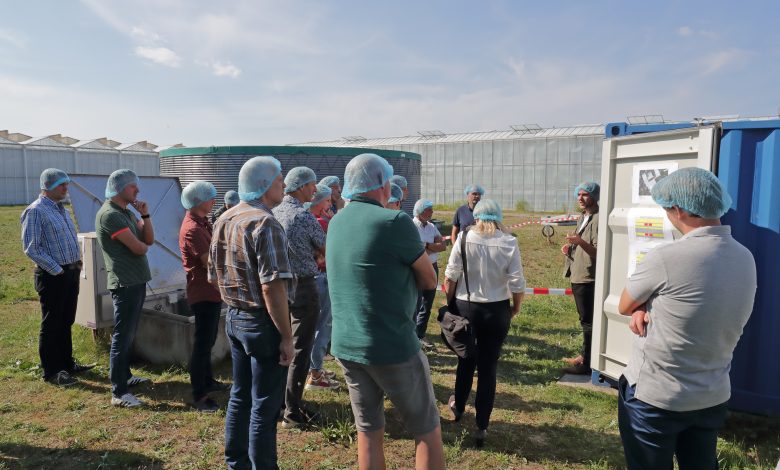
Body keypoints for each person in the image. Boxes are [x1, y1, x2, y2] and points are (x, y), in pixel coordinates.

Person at [617, 168, 756, 470]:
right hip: (711, 394)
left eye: (667, 210)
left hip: (657, 398)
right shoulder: (745, 257)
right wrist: (648, 307)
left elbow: (625, 304)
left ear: (678, 210)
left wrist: (641, 306)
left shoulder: (666, 257)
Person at [327, 153, 444, 470]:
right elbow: (429, 278)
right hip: (391, 344)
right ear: (381, 184)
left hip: (348, 345)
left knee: (368, 431)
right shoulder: (395, 222)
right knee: (427, 430)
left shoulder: (337, 221)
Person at [209, 156, 294, 469]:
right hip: (261, 322)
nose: (283, 184)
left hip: (234, 317)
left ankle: (237, 463)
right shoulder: (265, 222)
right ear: (263, 184)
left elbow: (212, 275)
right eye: (278, 179)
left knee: (240, 395)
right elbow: (273, 287)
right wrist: (286, 336)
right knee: (265, 406)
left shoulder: (225, 218)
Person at [443, 199, 525, 447]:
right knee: (488, 367)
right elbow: (517, 283)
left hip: (466, 306)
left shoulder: (465, 238)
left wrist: (450, 304)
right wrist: (515, 308)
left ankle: (458, 406)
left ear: (476, 216)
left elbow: (451, 275)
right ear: (498, 217)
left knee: (465, 360)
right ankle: (482, 425)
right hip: (497, 310)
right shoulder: (509, 241)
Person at [20, 168, 95, 387]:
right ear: (49, 186)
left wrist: (76, 265)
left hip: (70, 272)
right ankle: (52, 371)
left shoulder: (61, 209)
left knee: (66, 320)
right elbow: (31, 248)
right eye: (62, 185)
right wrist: (57, 270)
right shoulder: (35, 211)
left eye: (66, 184)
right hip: (53, 275)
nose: (66, 188)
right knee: (52, 323)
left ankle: (66, 364)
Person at [272, 166, 327, 428]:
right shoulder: (302, 217)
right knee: (301, 348)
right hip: (303, 287)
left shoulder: (273, 212)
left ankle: (280, 401)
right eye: (312, 185)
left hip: (278, 287)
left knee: (282, 345)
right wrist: (317, 256)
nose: (315, 190)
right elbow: (324, 248)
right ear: (302, 186)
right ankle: (293, 412)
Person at [95, 169, 154, 407]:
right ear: (119, 189)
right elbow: (139, 248)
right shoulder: (110, 215)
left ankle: (125, 376)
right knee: (122, 335)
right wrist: (140, 244)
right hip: (125, 282)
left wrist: (146, 215)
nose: (137, 190)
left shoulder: (126, 213)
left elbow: (148, 240)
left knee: (129, 333)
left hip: (136, 280)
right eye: (132, 186)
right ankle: (119, 392)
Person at [179, 180, 229, 413]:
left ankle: (208, 381)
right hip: (203, 291)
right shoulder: (192, 229)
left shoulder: (203, 223)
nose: (213, 202)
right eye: (210, 198)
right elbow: (207, 261)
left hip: (211, 290)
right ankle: (199, 394)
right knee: (202, 343)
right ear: (199, 201)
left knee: (208, 340)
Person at [560, 182, 599, 375]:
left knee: (588, 322)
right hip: (577, 273)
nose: (580, 198)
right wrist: (570, 249)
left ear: (594, 196)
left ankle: (588, 363)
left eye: (585, 195)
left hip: (588, 278)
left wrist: (579, 242)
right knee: (584, 320)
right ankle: (585, 356)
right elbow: (581, 247)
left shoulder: (598, 219)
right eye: (578, 195)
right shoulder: (583, 217)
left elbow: (598, 252)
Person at [305, 184, 340, 391]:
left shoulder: (314, 221)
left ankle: (314, 367)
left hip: (316, 277)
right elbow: (327, 251)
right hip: (323, 277)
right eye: (327, 200)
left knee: (318, 324)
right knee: (323, 324)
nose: (331, 203)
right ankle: (315, 373)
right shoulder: (321, 223)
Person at [412, 199, 446, 348]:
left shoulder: (432, 227)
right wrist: (430, 246)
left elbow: (443, 246)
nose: (432, 212)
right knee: (416, 301)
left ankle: (421, 333)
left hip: (432, 265)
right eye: (429, 209)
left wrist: (426, 245)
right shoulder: (412, 226)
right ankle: (411, 335)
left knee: (428, 301)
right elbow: (416, 249)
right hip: (418, 266)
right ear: (420, 211)